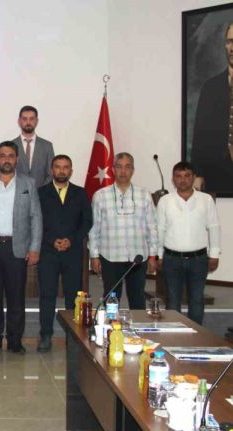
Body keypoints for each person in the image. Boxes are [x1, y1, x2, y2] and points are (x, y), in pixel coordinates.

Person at [0, 141, 42, 354]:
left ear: (16, 159)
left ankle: (15, 339)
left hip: (17, 248)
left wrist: (34, 248)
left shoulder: (28, 183)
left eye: (10, 156)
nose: (6, 159)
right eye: (3, 155)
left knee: (16, 297)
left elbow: (35, 217)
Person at [37, 155, 92, 352]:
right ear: (52, 170)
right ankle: (45, 335)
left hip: (73, 252)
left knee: (73, 297)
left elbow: (87, 221)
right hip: (48, 252)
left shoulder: (80, 193)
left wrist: (71, 240)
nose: (62, 170)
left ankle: (74, 337)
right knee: (47, 295)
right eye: (58, 167)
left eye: (65, 167)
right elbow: (36, 221)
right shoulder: (41, 193)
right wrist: (52, 240)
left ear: (71, 171)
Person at [89, 152, 158, 310]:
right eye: (119, 167)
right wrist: (94, 255)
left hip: (138, 257)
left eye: (127, 167)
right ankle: (110, 326)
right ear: (113, 169)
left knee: (137, 298)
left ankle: (138, 327)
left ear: (133, 170)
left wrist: (153, 255)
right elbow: (94, 229)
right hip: (110, 256)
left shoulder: (144, 194)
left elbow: (152, 227)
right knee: (111, 299)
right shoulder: (100, 195)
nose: (123, 171)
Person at [157, 161, 220, 324]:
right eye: (178, 176)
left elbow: (214, 227)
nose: (183, 180)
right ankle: (173, 333)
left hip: (199, 259)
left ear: (194, 177)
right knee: (172, 300)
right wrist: (158, 256)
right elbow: (159, 229)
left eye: (187, 176)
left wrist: (214, 254)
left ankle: (196, 334)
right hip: (172, 259)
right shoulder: (165, 201)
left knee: (197, 300)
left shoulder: (206, 200)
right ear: (173, 179)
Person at [191, 22, 233, 194]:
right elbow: (200, 134)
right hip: (218, 173)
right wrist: (198, 173)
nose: (232, 48)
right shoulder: (211, 87)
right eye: (229, 41)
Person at [12, 106, 55, 187]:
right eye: (25, 119)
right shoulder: (10, 146)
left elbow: (51, 173)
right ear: (19, 121)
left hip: (41, 193)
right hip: (16, 193)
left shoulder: (47, 146)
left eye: (32, 119)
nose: (28, 122)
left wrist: (41, 191)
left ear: (37, 121)